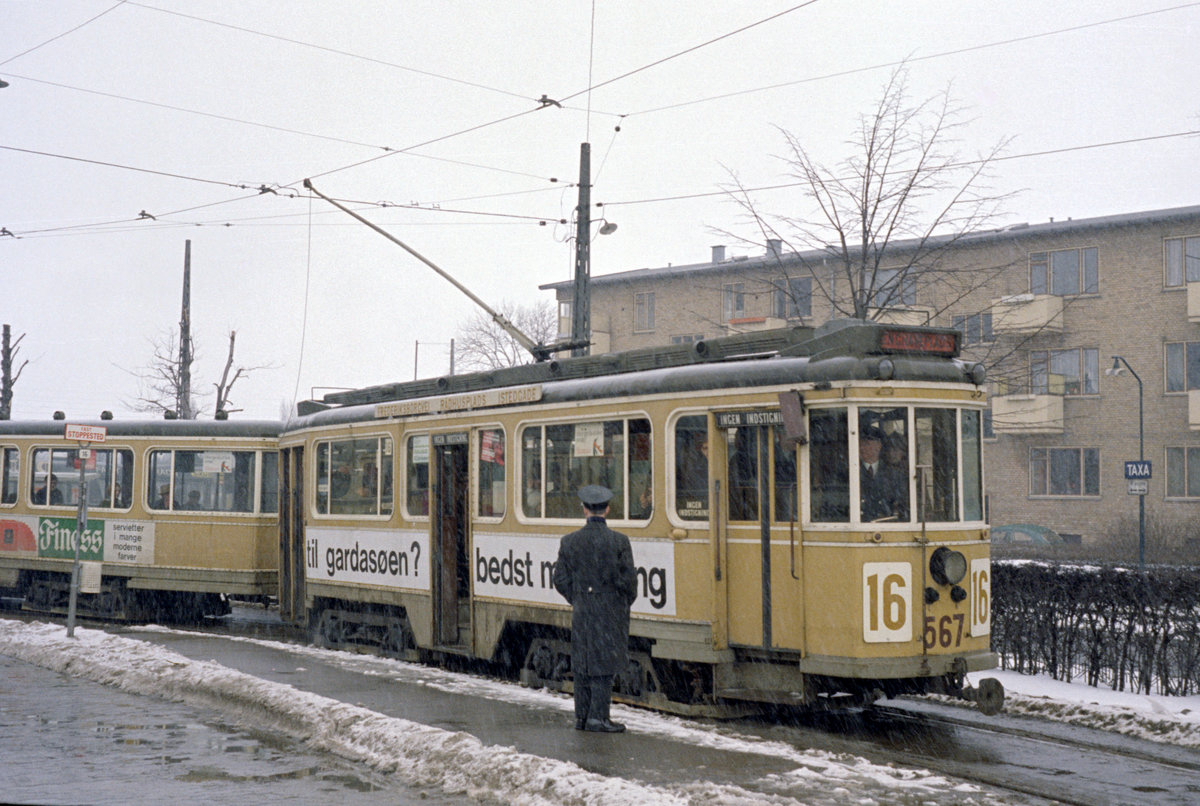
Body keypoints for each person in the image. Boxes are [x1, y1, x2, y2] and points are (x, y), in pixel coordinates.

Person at [553, 484, 638, 733]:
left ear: (584, 510)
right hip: (609, 610)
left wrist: (578, 598)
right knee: (604, 664)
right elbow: (629, 582)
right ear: (607, 510)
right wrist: (619, 602)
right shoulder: (619, 541)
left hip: (582, 609)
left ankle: (582, 717)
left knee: (582, 662)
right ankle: (598, 718)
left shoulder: (570, 541)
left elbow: (560, 579)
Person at [859, 425, 906, 522]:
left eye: (867, 444)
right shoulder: (849, 473)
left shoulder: (894, 474)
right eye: (860, 444)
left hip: (887, 524)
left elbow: (901, 504)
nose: (862, 448)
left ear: (879, 446)